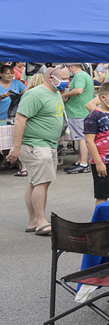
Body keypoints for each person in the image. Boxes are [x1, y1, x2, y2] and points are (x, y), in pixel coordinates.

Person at [5, 65, 69, 233]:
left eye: (67, 78)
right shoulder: (35, 94)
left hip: (47, 144)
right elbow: (20, 120)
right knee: (41, 182)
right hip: (36, 144)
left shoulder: (54, 92)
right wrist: (16, 147)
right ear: (50, 77)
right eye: (62, 79)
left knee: (35, 182)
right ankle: (40, 221)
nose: (66, 82)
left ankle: (33, 221)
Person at [63, 63, 95, 175]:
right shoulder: (85, 75)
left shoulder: (79, 76)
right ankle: (79, 161)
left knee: (82, 139)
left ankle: (83, 164)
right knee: (80, 138)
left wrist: (64, 95)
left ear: (71, 66)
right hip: (80, 111)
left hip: (78, 111)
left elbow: (79, 90)